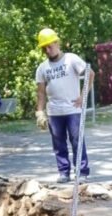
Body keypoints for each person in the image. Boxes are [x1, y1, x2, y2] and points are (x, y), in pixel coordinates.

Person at [34, 27, 92, 184]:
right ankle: (63, 172)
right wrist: (39, 112)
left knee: (76, 140)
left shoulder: (71, 59)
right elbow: (40, 92)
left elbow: (90, 73)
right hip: (54, 111)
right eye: (44, 47)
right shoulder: (42, 68)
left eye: (50, 45)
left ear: (57, 43)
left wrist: (83, 95)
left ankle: (82, 172)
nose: (47, 49)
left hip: (73, 109)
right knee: (58, 144)